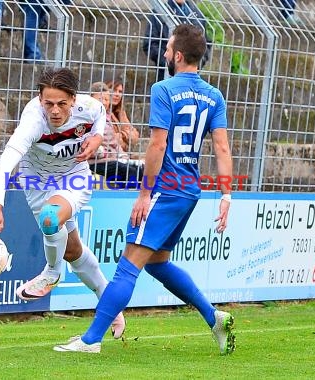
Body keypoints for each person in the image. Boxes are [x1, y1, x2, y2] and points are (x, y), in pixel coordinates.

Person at [54, 24, 236, 354]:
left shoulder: (164, 89)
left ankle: (91, 340)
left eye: (167, 49)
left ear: (178, 56)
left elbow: (157, 143)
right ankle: (214, 317)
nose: (164, 53)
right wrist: (226, 195)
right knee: (157, 262)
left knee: (128, 265)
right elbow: (222, 148)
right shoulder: (214, 95)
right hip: (189, 189)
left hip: (165, 190)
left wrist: (144, 193)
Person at [0, 67, 126, 339]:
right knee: (72, 250)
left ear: (73, 99)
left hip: (73, 177)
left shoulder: (90, 107)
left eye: (61, 103)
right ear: (40, 99)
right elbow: (6, 162)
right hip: (36, 182)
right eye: (48, 103)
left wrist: (96, 137)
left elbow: (100, 117)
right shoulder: (33, 121)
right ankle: (111, 306)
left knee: (50, 218)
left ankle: (51, 272)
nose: (55, 111)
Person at [89, 82, 143, 189]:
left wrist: (123, 156)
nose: (103, 102)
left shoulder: (108, 116)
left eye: (106, 99)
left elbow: (124, 139)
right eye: (100, 99)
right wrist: (104, 153)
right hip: (97, 160)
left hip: (113, 158)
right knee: (130, 172)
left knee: (141, 169)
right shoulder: (88, 118)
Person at [143, 0, 211, 80]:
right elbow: (150, 43)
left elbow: (205, 44)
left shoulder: (197, 15)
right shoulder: (159, 13)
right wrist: (169, 61)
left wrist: (194, 63)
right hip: (166, 73)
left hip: (190, 74)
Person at [105, 79, 140, 152]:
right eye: (114, 90)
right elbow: (111, 139)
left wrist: (122, 135)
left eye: (120, 92)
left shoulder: (120, 112)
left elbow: (135, 137)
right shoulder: (103, 112)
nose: (117, 94)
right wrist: (125, 135)